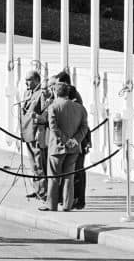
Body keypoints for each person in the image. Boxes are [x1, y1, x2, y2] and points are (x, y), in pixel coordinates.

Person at [40, 83, 89, 212]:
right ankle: (67, 204)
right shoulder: (80, 108)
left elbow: (53, 127)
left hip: (57, 147)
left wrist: (65, 140)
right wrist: (75, 140)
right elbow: (84, 127)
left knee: (54, 176)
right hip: (73, 148)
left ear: (56, 93)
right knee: (69, 177)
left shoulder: (53, 107)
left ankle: (52, 204)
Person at [19, 70, 48, 202]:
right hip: (27, 132)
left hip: (36, 133)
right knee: (32, 164)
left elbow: (43, 115)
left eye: (29, 80)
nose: (26, 83)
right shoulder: (27, 93)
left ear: (36, 80)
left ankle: (43, 191)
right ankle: (37, 189)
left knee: (39, 164)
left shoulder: (41, 94)